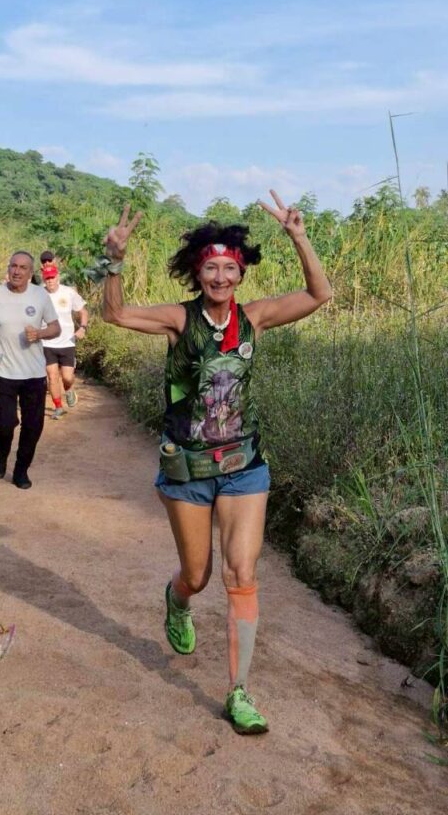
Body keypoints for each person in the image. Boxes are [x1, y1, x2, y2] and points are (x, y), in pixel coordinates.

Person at [102, 193, 331, 734]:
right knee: (198, 575)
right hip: (187, 468)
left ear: (242, 272)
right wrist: (115, 260)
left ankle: (238, 691)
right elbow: (115, 314)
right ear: (197, 272)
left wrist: (299, 237)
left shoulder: (255, 318)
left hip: (244, 465)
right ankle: (177, 599)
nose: (221, 277)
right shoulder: (179, 320)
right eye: (212, 268)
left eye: (230, 268)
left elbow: (319, 294)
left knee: (241, 574)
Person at [0, 251, 61, 489]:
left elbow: (56, 328)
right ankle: (2, 451)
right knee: (4, 424)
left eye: (23, 268)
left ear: (30, 272)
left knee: (33, 427)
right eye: (13, 266)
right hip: (3, 372)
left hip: (34, 374)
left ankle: (21, 470)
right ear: (8, 268)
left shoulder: (40, 295)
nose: (17, 271)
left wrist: (40, 334)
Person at [41, 262, 89, 417]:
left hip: (67, 342)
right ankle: (58, 407)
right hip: (47, 343)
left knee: (67, 377)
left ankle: (69, 389)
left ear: (58, 277)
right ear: (43, 279)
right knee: (52, 376)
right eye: (47, 278)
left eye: (52, 277)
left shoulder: (69, 293)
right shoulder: (39, 294)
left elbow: (83, 312)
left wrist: (82, 328)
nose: (50, 281)